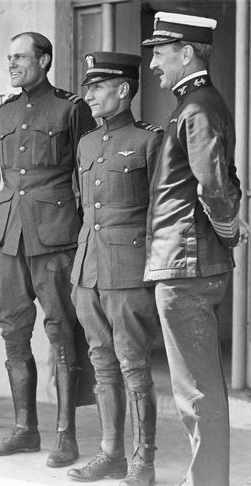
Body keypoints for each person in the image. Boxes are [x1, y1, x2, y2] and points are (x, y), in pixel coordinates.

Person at [0, 32, 96, 467]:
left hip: (55, 235)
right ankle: (24, 429)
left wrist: (85, 235)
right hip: (8, 237)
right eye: (8, 57)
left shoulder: (71, 108)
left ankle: (65, 436)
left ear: (44, 60)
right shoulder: (6, 111)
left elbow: (87, 174)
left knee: (62, 333)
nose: (12, 64)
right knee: (12, 330)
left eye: (21, 57)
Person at [142, 12, 241, 486]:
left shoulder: (197, 107)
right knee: (196, 389)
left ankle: (207, 482)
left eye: (160, 54)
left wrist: (228, 231)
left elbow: (214, 186)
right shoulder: (194, 104)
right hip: (185, 261)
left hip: (187, 265)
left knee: (197, 391)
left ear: (186, 54)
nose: (154, 65)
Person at [67, 52, 162, 486]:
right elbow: (84, 206)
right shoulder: (86, 142)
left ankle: (144, 460)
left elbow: (161, 212)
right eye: (87, 88)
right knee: (101, 363)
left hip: (128, 270)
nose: (89, 95)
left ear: (123, 90)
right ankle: (111, 454)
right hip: (87, 271)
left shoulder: (149, 141)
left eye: (98, 87)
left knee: (133, 365)